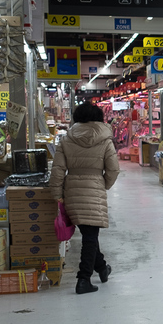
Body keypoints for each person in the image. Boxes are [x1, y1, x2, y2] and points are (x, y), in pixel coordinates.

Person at [48, 101, 121, 295]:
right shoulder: (105, 140)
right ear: (99, 118)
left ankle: (102, 268)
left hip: (72, 190)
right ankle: (83, 279)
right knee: (90, 235)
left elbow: (58, 170)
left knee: (89, 233)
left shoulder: (66, 140)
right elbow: (113, 169)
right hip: (94, 187)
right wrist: (102, 184)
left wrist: (57, 194)